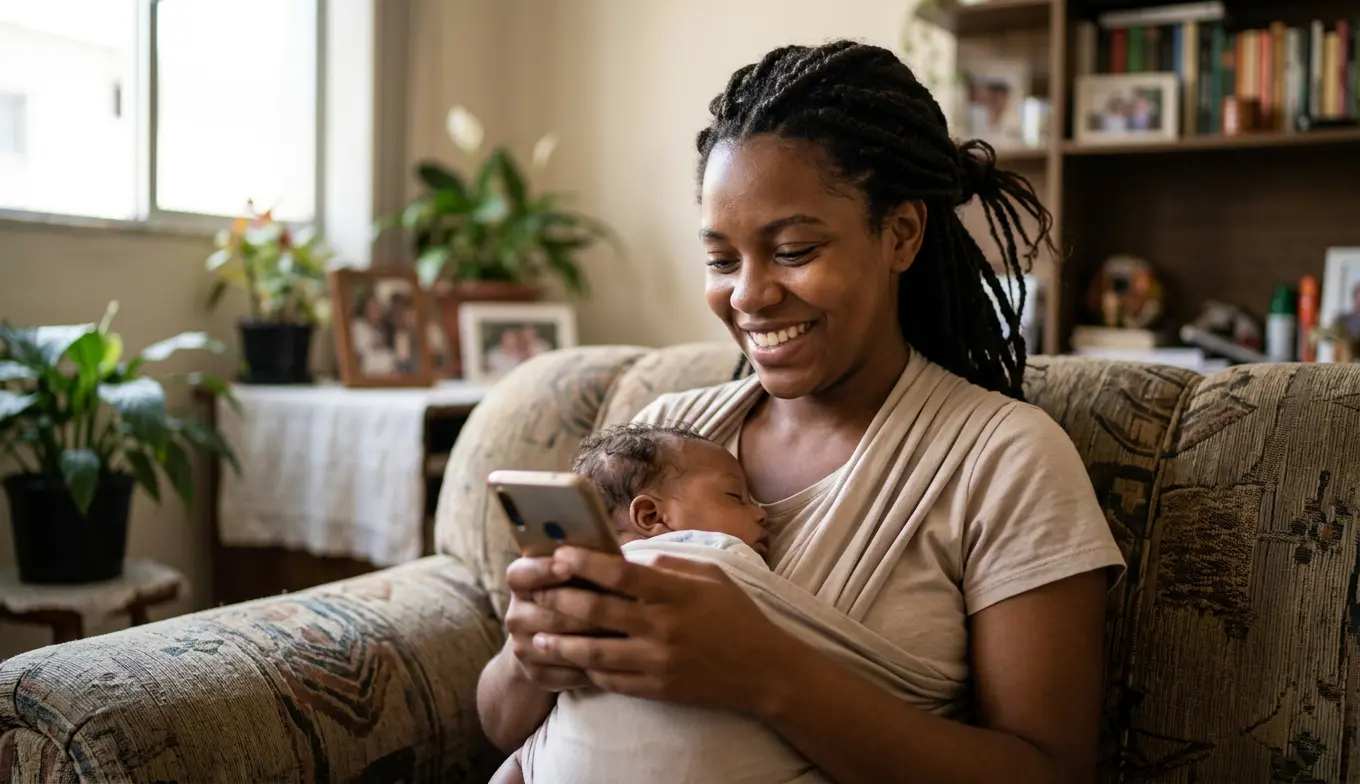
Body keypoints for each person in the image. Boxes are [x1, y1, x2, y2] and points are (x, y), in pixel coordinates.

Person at [477, 40, 1124, 783]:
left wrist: (767, 675)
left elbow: (1050, 772)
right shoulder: (668, 437)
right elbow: (501, 725)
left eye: (792, 250)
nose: (748, 295)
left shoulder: (1003, 459)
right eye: (722, 260)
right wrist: (528, 655)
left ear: (901, 234)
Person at [490, 422, 770, 784]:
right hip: (575, 738)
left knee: (515, 768)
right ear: (651, 516)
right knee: (517, 761)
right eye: (736, 497)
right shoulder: (719, 548)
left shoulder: (725, 562)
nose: (762, 512)